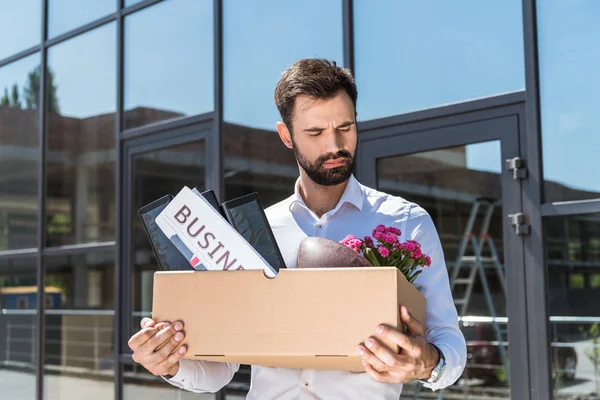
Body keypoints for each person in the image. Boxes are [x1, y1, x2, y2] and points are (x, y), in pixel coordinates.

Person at [128, 58, 467, 399]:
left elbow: (447, 340)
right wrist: (170, 361)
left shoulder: (406, 222)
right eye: (315, 132)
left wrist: (428, 365)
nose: (334, 145)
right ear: (286, 135)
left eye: (345, 128)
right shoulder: (254, 232)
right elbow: (221, 368)